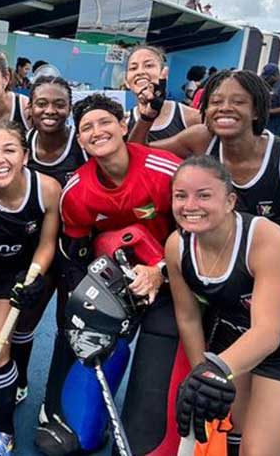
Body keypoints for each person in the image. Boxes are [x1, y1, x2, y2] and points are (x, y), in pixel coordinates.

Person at [128, 69, 280, 335]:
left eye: (238, 101)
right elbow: (136, 157)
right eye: (216, 101)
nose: (225, 108)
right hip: (235, 271)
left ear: (256, 110)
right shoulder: (202, 140)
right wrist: (149, 115)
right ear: (205, 109)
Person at [167, 155, 280, 455]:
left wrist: (215, 370)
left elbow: (269, 332)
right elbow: (188, 317)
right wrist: (199, 374)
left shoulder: (266, 240)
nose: (190, 205)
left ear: (230, 201)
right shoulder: (176, 246)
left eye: (204, 195)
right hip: (239, 337)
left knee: (255, 452)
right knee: (230, 435)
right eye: (181, 195)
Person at [58, 93, 186, 455]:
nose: (97, 131)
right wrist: (85, 306)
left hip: (175, 274)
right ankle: (82, 424)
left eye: (104, 122)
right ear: (80, 140)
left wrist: (160, 271)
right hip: (117, 278)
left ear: (123, 126)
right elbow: (77, 254)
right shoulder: (77, 191)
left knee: (154, 385)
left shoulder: (166, 170)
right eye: (86, 128)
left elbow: (197, 235)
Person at [0, 120, 60, 454]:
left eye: (9, 149)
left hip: (16, 272)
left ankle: (2, 430)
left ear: (24, 154)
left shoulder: (47, 189)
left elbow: (47, 243)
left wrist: (33, 275)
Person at [12, 76, 87, 403]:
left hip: (74, 252)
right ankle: (19, 381)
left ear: (69, 109)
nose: (50, 110)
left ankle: (57, 397)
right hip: (33, 249)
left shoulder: (83, 147)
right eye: (41, 103)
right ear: (29, 108)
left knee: (66, 325)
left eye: (59, 104)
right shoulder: (20, 144)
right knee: (24, 319)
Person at [125, 46, 201, 140]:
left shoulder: (191, 117)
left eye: (149, 65)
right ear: (126, 82)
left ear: (164, 74)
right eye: (133, 68)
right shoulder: (123, 123)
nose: (140, 72)